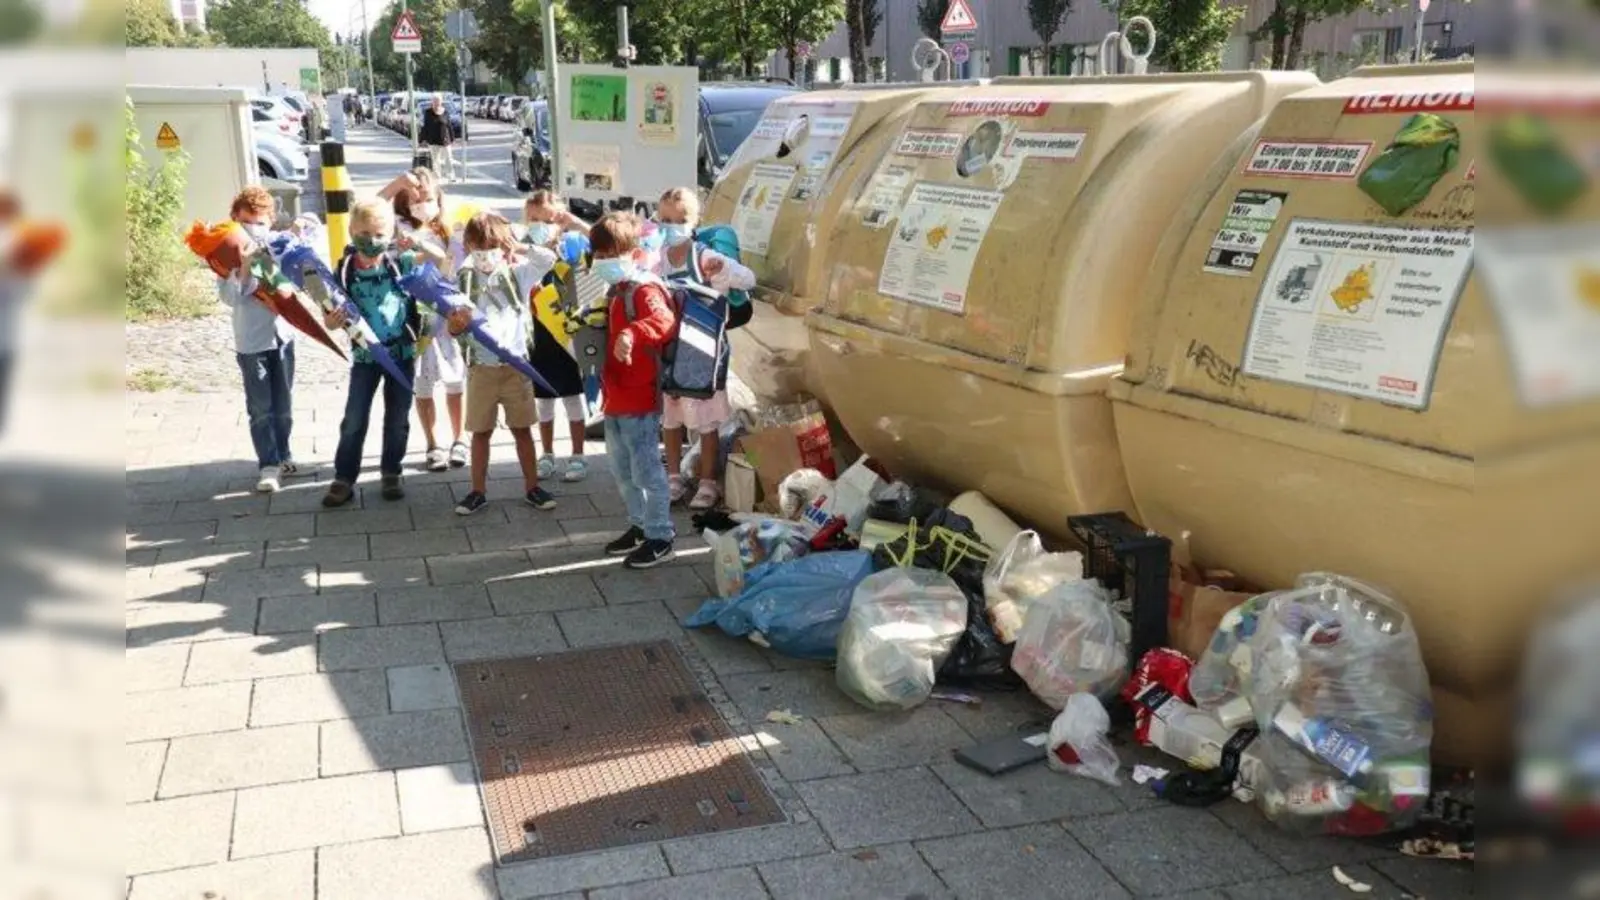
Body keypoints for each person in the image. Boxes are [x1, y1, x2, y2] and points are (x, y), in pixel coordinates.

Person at [449, 213, 560, 515]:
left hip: (515, 365)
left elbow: (548, 260)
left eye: (493, 246)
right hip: (481, 367)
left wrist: (520, 247)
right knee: (480, 431)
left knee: (522, 428)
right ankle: (477, 490)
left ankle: (532, 486)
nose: (486, 253)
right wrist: (456, 325)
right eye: (479, 247)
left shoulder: (517, 274)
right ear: (468, 245)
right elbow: (452, 325)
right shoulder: (462, 278)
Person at [653, 187, 755, 510]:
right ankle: (673, 477)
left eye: (679, 220)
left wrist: (722, 271)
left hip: (704, 356)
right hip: (670, 353)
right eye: (665, 219)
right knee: (671, 418)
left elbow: (748, 279)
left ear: (694, 221)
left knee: (706, 421)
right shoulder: (659, 260)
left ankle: (708, 481)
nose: (671, 226)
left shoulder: (705, 258)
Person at [590, 212, 678, 569]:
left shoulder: (644, 288)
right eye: (598, 255)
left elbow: (664, 321)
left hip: (640, 397)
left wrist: (631, 334)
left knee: (646, 473)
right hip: (616, 397)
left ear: (633, 253)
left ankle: (661, 535)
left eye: (609, 254)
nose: (601, 262)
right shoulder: (617, 290)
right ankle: (640, 526)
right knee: (623, 472)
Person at [322, 199, 418, 507]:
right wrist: (332, 321)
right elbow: (329, 314)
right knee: (354, 417)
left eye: (379, 234)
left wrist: (418, 243)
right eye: (363, 232)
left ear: (390, 233)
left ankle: (391, 471)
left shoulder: (399, 262)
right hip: (365, 357)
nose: (371, 240)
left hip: (401, 352)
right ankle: (344, 477)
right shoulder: (345, 269)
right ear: (351, 231)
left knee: (398, 417)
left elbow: (440, 264)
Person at [215, 187, 300, 493]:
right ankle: (268, 464)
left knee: (284, 403)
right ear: (236, 220)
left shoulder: (277, 245)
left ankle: (284, 452)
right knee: (261, 407)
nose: (255, 228)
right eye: (248, 222)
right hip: (252, 341)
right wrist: (245, 268)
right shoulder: (227, 252)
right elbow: (229, 297)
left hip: (283, 335)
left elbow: (295, 287)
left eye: (261, 221)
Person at [391, 169, 467, 471]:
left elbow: (452, 265)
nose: (422, 204)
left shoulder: (448, 229)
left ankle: (459, 439)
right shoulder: (397, 227)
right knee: (422, 381)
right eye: (415, 200)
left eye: (428, 198)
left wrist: (430, 251)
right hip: (414, 315)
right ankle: (432, 443)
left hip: (447, 311)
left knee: (455, 377)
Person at [523, 191, 592, 482]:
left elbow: (604, 243)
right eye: (533, 220)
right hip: (537, 332)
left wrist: (575, 223)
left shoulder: (572, 246)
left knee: (572, 395)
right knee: (543, 398)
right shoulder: (523, 248)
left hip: (567, 331)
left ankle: (578, 455)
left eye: (546, 219)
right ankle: (547, 453)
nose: (539, 225)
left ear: (559, 220)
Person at [420, 94, 459, 183]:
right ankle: (437, 177)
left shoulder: (445, 112)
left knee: (448, 158)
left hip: (445, 139)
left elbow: (449, 126)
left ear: (441, 102)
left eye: (438, 101)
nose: (436, 103)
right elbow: (425, 126)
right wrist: (422, 139)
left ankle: (451, 176)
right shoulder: (428, 112)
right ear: (432, 102)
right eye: (434, 101)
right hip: (433, 140)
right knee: (435, 160)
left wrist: (453, 138)